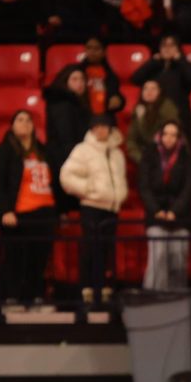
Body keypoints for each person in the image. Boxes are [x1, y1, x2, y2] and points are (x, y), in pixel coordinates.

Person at [0, 111, 57, 305]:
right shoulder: (4, 152)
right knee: (15, 259)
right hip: (19, 214)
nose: (25, 123)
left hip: (44, 213)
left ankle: (36, 298)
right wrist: (4, 210)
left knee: (39, 259)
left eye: (28, 120)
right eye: (20, 119)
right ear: (12, 126)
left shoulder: (43, 151)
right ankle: (11, 298)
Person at [59, 114, 127, 305]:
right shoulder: (83, 150)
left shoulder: (117, 153)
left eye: (104, 126)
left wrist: (119, 195)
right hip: (92, 207)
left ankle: (105, 290)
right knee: (90, 249)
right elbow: (66, 175)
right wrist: (88, 189)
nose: (101, 130)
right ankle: (87, 290)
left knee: (107, 250)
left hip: (112, 208)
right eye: (96, 127)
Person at [138, 120, 191, 290]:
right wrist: (156, 210)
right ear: (160, 136)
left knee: (178, 257)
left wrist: (175, 212)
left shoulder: (186, 156)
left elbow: (189, 187)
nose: (169, 138)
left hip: (180, 217)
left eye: (173, 135)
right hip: (155, 216)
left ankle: (177, 298)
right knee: (158, 256)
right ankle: (153, 296)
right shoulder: (149, 154)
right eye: (166, 134)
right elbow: (143, 185)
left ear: (179, 138)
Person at [131, 35, 191, 139]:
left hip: (179, 114)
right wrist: (153, 61)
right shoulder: (154, 67)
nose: (167, 49)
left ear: (178, 48)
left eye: (171, 45)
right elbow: (135, 79)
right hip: (155, 115)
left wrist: (180, 59)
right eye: (164, 45)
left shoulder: (182, 66)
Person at [42, 66, 92, 212]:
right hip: (64, 160)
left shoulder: (75, 103)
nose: (80, 83)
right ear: (65, 82)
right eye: (75, 79)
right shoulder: (63, 105)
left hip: (70, 158)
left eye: (82, 79)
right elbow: (66, 139)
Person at [126, 80, 180, 167]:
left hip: (166, 161)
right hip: (145, 159)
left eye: (153, 89)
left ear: (160, 91)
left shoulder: (168, 109)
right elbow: (131, 140)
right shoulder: (139, 109)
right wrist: (141, 159)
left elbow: (173, 138)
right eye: (145, 89)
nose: (149, 92)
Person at [76, 37, 126, 118]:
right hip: (80, 117)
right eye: (89, 48)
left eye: (96, 48)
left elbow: (116, 95)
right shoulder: (75, 71)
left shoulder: (111, 75)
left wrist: (119, 100)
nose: (92, 52)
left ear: (104, 52)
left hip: (103, 119)